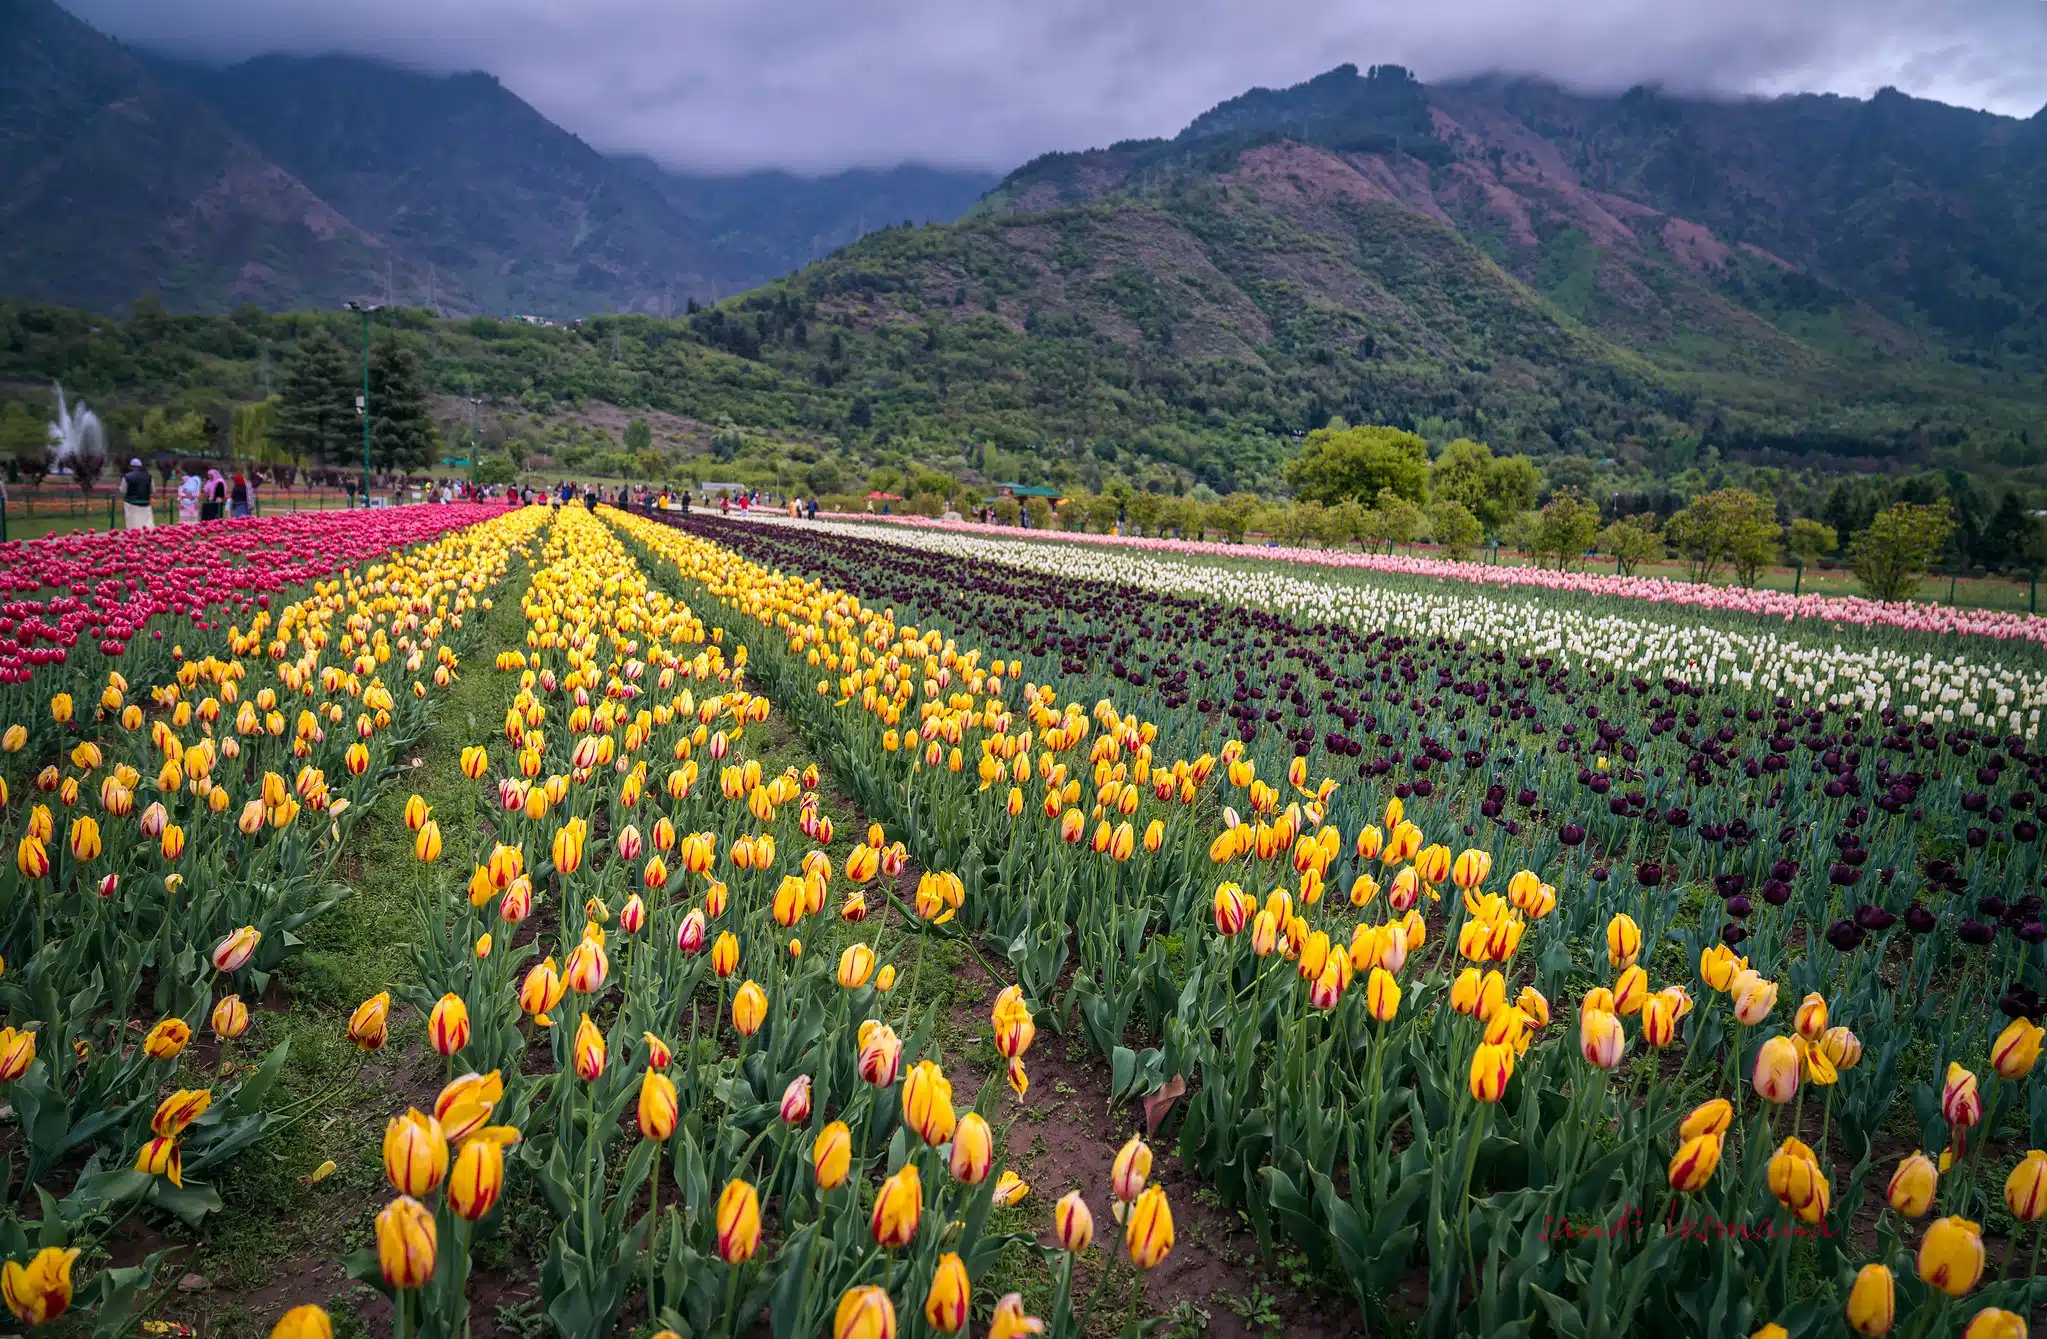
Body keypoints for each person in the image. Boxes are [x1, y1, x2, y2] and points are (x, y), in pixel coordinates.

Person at [121, 457, 153, 529]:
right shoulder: (149, 476)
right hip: (146, 502)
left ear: (131, 466)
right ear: (140, 466)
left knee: (132, 521)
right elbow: (152, 490)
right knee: (145, 520)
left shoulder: (127, 476)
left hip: (131, 502)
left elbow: (123, 490)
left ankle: (133, 531)